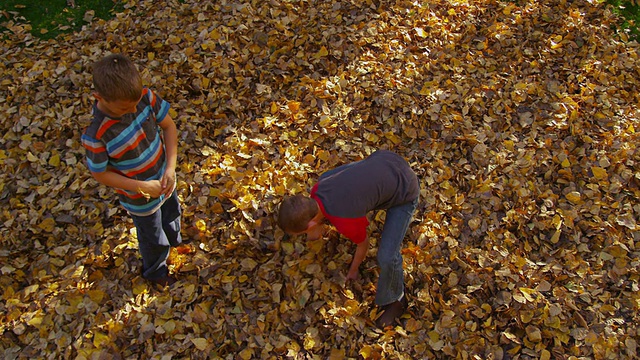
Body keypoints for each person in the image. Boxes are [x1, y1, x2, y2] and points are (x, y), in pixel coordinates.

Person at [277, 150, 420, 328]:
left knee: (387, 256)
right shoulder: (317, 190)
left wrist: (353, 270)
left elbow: (363, 244)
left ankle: (396, 299)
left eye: (304, 233)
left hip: (406, 189)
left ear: (311, 224)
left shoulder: (345, 220)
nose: (305, 237)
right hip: (387, 158)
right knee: (326, 177)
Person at [82, 53, 184, 287]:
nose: (132, 110)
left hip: (165, 179)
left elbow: (169, 127)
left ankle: (176, 242)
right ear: (100, 98)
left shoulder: (145, 98)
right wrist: (141, 187)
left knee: (171, 213)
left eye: (135, 104)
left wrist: (170, 167)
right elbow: (100, 173)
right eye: (124, 108)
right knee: (152, 235)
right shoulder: (96, 134)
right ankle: (156, 272)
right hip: (139, 197)